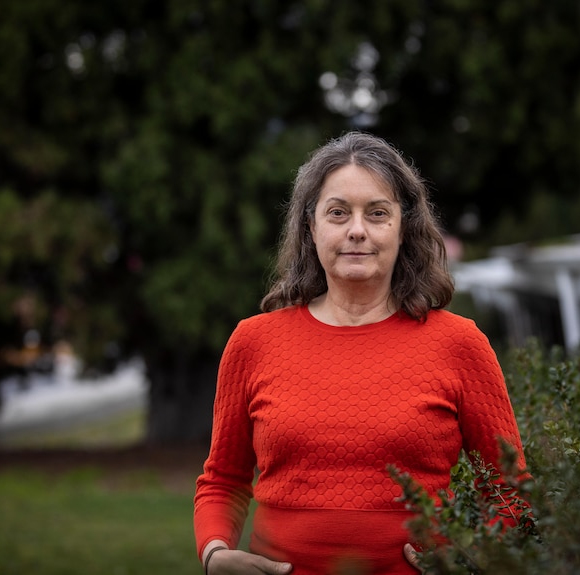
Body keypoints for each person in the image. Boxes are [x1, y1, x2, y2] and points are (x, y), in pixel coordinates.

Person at [194, 131, 529, 575]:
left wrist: (478, 560)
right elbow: (223, 480)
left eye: (377, 213)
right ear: (310, 227)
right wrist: (215, 554)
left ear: (403, 228)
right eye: (338, 213)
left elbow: (510, 490)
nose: (356, 230)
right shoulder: (254, 342)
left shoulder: (459, 344)